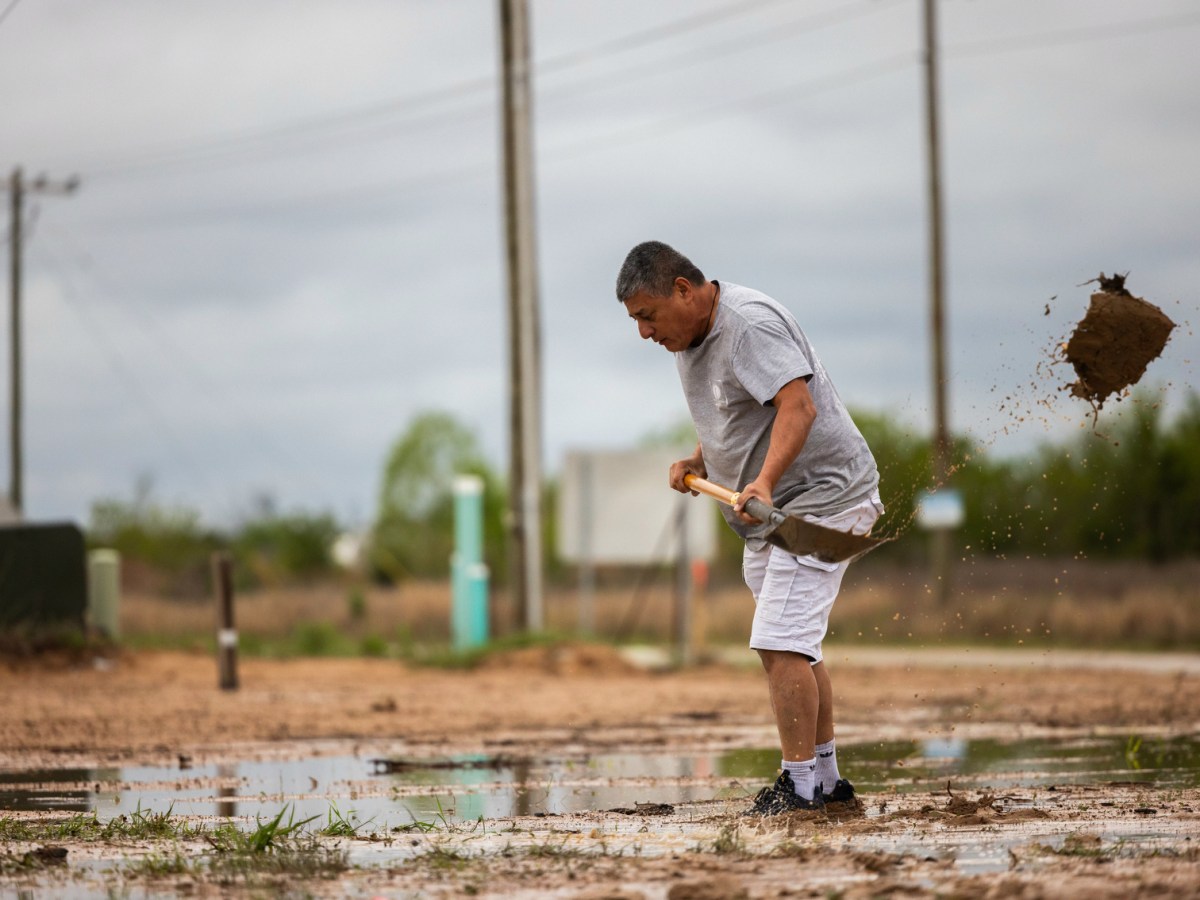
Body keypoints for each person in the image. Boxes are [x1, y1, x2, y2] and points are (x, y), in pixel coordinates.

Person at [615, 240, 882, 816]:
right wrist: (701, 460)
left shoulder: (748, 326)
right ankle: (827, 781)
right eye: (636, 320)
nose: (643, 333)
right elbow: (734, 412)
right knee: (795, 649)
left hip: (822, 498)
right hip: (773, 510)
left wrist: (762, 481)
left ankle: (799, 787)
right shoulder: (688, 338)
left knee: (780, 641)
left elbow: (798, 407)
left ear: (683, 290)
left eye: (647, 316)